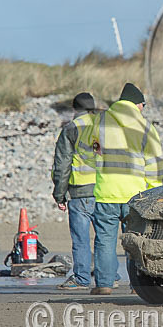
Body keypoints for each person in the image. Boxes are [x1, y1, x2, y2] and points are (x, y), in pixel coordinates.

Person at [88, 83, 163, 295]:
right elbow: (154, 163)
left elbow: (93, 150)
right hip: (136, 195)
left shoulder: (100, 121)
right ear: (137, 104)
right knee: (136, 242)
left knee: (104, 241)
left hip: (106, 192)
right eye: (143, 105)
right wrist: (154, 192)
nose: (143, 109)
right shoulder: (145, 126)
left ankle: (103, 284)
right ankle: (136, 285)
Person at [52, 93, 100, 290]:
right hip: (105, 190)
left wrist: (59, 194)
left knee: (81, 239)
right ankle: (110, 276)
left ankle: (81, 278)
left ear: (74, 109)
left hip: (80, 192)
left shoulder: (71, 129)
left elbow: (62, 164)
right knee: (104, 238)